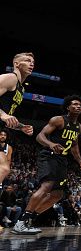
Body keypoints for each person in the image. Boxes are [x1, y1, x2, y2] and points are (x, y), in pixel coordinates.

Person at [12, 95, 81, 235]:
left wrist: (80, 161)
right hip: (49, 156)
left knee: (58, 194)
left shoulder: (78, 126)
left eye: (80, 105)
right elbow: (40, 136)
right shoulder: (58, 120)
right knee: (46, 186)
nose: (78, 106)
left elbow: (74, 145)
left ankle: (30, 220)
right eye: (75, 104)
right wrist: (51, 144)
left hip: (62, 160)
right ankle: (20, 222)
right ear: (68, 107)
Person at [0, 53, 35, 193]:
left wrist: (21, 127)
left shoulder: (21, 88)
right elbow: (4, 114)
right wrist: (2, 115)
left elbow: (8, 116)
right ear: (16, 64)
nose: (31, 63)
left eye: (33, 61)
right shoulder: (10, 78)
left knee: (4, 168)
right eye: (27, 60)